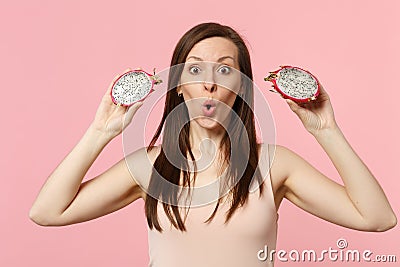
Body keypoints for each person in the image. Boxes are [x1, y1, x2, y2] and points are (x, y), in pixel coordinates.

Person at [29, 22, 396, 267]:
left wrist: (326, 129)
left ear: (241, 86)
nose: (209, 83)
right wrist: (100, 131)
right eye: (194, 68)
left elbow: (377, 218)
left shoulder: (274, 165)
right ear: (179, 85)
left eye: (224, 69)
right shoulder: (148, 167)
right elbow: (47, 212)